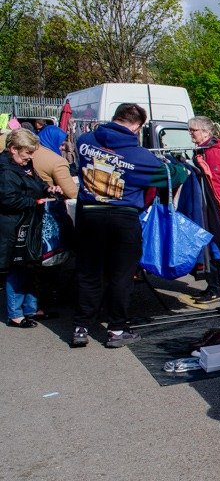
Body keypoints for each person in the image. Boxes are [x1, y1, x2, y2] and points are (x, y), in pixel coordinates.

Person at [72, 103, 185, 348]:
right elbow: (171, 176)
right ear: (137, 126)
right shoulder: (140, 156)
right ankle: (116, 330)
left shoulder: (84, 141)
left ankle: (81, 327)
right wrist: (181, 169)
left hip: (89, 214)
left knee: (89, 273)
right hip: (123, 218)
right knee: (121, 275)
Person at [0, 129, 62, 327]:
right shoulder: (5, 171)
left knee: (29, 266)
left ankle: (31, 309)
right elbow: (8, 199)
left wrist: (48, 188)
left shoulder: (24, 165)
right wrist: (35, 201)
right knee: (17, 267)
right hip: (12, 226)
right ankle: (15, 314)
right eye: (28, 152)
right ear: (13, 149)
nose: (31, 157)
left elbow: (36, 183)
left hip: (27, 223)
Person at [188, 116, 220, 304]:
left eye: (194, 130)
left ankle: (217, 288)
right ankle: (212, 285)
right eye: (190, 130)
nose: (191, 134)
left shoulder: (213, 152)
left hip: (216, 208)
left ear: (206, 132)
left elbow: (215, 184)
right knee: (210, 247)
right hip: (211, 207)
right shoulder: (205, 150)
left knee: (216, 249)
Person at [32, 125, 77, 199]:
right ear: (52, 140)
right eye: (61, 144)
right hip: (48, 200)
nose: (62, 148)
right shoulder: (57, 161)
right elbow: (72, 193)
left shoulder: (31, 152)